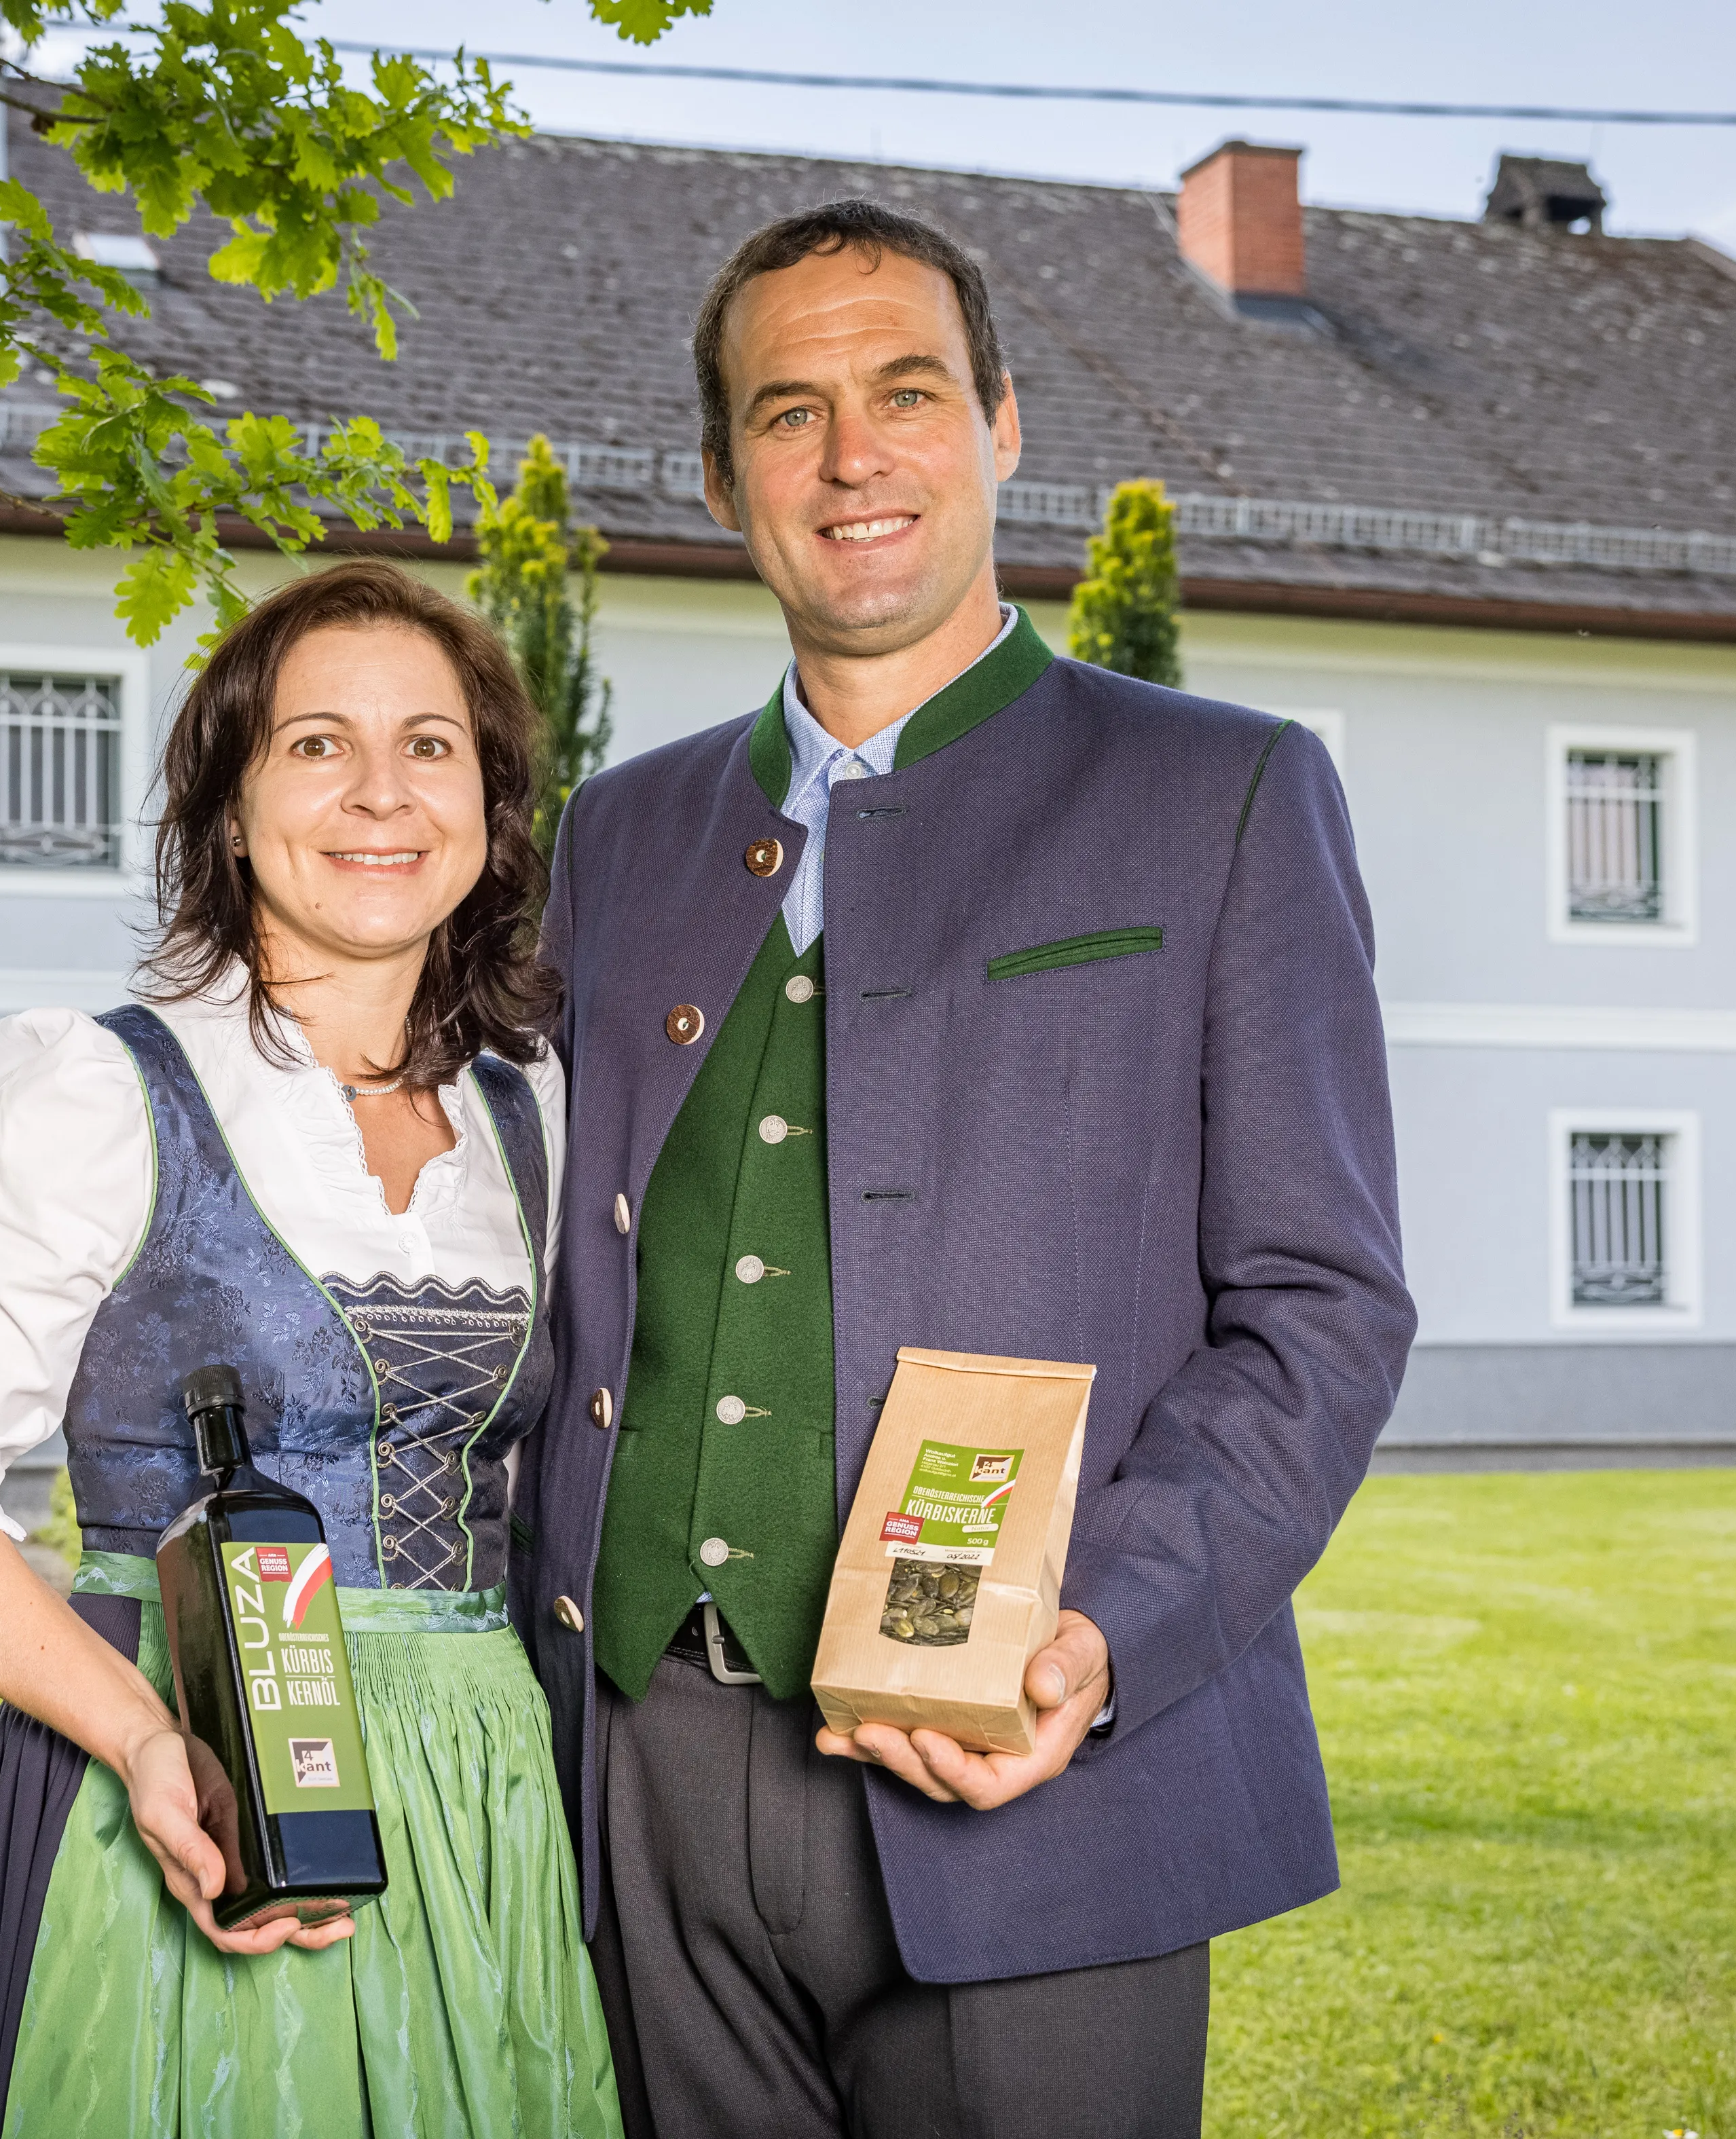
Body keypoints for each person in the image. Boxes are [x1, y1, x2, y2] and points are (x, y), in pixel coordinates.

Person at [517, 200, 1419, 2138]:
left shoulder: (1221, 792)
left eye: (905, 391)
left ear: (1002, 423)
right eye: (788, 411)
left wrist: (1098, 1635)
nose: (852, 456)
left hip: (1035, 1760)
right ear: (718, 471)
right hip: (647, 1770)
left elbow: (1318, 1307)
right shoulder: (616, 831)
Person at [0, 560, 620, 2139]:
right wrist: (146, 1740)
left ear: (489, 806)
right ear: (229, 801)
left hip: (482, 1794)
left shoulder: (528, 1106)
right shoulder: (93, 1089)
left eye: (429, 746)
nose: (379, 794)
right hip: (192, 1758)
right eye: (316, 745)